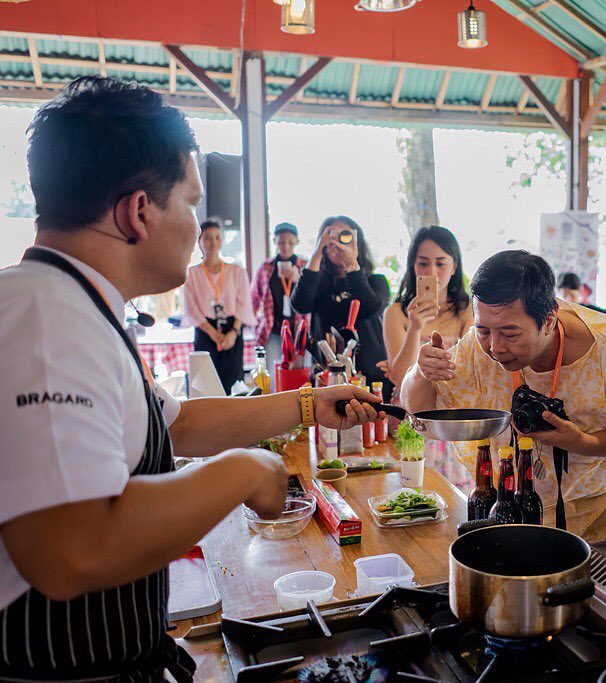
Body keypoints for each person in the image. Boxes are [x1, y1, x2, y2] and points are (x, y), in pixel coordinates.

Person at [0, 77, 382, 682]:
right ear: (138, 211)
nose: (200, 223)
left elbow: (173, 422)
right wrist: (242, 471)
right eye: (191, 202)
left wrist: (309, 404)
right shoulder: (48, 321)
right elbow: (68, 547)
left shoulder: (74, 305)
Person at [403, 250, 606, 554]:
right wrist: (421, 372)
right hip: (509, 523)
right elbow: (422, 413)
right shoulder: (479, 346)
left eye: (510, 334)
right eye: (483, 330)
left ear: (549, 319)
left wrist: (584, 442)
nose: (495, 347)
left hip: (601, 534)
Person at [292, 216, 391, 397]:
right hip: (327, 376)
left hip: (370, 376)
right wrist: (316, 256)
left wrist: (352, 266)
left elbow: (370, 308)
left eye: (345, 237)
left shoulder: (377, 281)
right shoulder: (317, 285)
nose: (337, 243)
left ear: (358, 242)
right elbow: (300, 305)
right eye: (330, 236)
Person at [383, 226, 473, 388]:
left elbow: (472, 369)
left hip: (456, 402)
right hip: (410, 405)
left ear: (454, 267)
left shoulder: (467, 309)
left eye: (440, 264)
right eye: (423, 263)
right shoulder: (395, 313)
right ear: (413, 266)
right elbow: (400, 377)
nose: (431, 272)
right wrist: (414, 328)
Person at [182, 219, 256, 392]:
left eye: (217, 237)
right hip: (205, 330)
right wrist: (214, 334)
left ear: (222, 240)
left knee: (233, 383)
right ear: (199, 241)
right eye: (207, 237)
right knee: (205, 383)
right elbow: (191, 309)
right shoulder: (192, 274)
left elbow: (243, 303)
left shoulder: (237, 271)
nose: (212, 242)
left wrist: (233, 333)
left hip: (232, 329)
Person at [250, 221, 310, 380]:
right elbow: (254, 298)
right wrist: (254, 324)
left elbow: (313, 296)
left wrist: (298, 279)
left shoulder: (305, 266)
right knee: (273, 372)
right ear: (275, 241)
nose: (285, 246)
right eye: (281, 241)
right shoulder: (266, 267)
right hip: (273, 329)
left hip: (299, 329)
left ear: (297, 242)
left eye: (290, 242)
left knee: (300, 373)